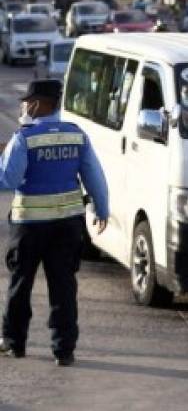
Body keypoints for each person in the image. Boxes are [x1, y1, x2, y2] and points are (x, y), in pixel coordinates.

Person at [0, 80, 108, 366]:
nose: (23, 106)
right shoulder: (76, 135)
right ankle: (64, 350)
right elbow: (94, 176)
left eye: (27, 101)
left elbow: (8, 180)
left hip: (29, 226)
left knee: (20, 284)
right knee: (63, 286)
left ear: (37, 103)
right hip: (68, 225)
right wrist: (102, 209)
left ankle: (14, 342)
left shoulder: (25, 137)